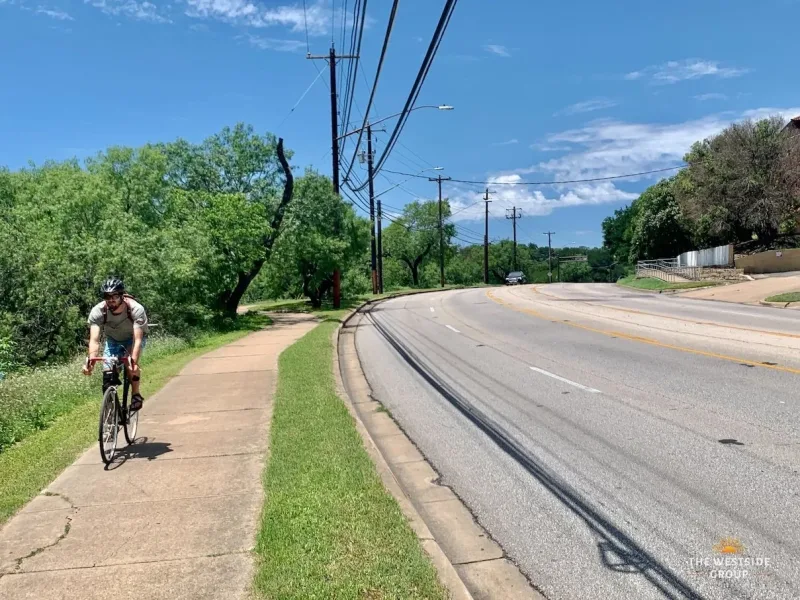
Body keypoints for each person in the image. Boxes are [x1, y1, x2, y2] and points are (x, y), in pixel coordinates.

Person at [82, 278, 149, 412]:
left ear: (122, 296)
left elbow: (137, 339)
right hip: (113, 340)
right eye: (107, 296)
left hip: (132, 339)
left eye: (115, 296)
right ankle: (112, 412)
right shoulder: (98, 311)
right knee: (108, 377)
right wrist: (91, 362)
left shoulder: (136, 309)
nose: (111, 299)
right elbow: (95, 340)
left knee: (130, 364)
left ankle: (136, 394)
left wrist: (133, 361)